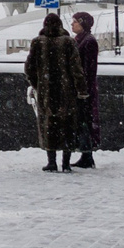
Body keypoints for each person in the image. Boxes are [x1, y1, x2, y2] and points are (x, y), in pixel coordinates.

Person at [24, 11, 84, 172]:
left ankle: (51, 162)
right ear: (60, 26)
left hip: (46, 93)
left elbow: (29, 68)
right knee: (67, 125)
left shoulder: (37, 43)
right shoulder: (69, 42)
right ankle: (66, 163)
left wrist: (38, 84)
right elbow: (76, 69)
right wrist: (81, 88)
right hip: (67, 92)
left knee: (49, 125)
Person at [70, 10, 101, 169]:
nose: (72, 24)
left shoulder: (88, 42)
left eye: (75, 21)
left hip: (85, 90)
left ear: (83, 24)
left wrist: (84, 90)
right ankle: (86, 154)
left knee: (85, 121)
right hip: (82, 88)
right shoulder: (81, 40)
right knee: (83, 121)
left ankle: (87, 155)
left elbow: (89, 69)